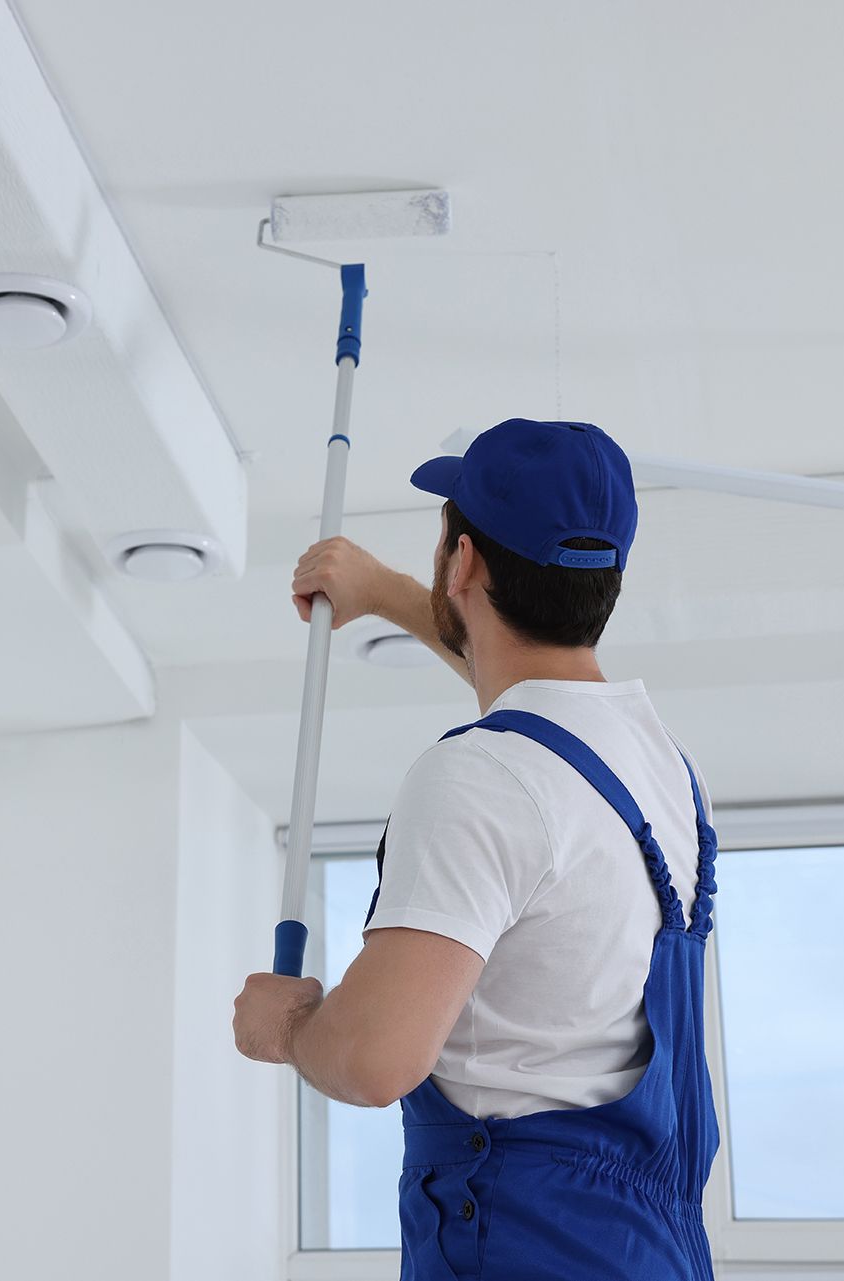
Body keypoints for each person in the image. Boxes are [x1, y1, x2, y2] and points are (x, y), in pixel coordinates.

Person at [231, 418, 719, 1280]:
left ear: (460, 563)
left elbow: (378, 1058)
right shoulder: (665, 770)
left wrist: (291, 1026)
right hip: (651, 1251)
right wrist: (383, 590)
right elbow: (538, 717)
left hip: (525, 1246)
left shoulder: (478, 778)